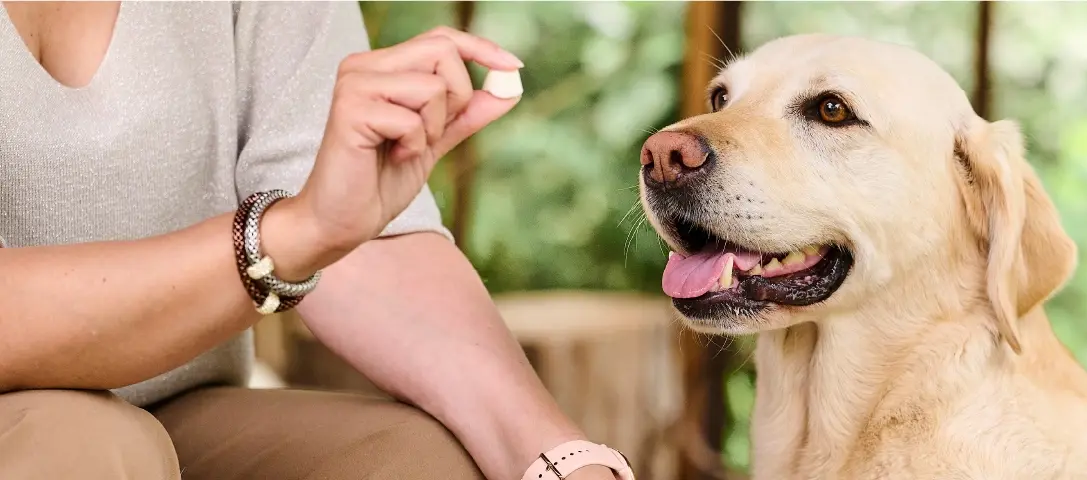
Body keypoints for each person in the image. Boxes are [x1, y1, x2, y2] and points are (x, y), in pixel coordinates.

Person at [0, 2, 629, 479]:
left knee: (415, 461)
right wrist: (292, 233)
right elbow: (314, 226)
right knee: (77, 443)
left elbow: (354, 230)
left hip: (180, 406)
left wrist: (559, 459)